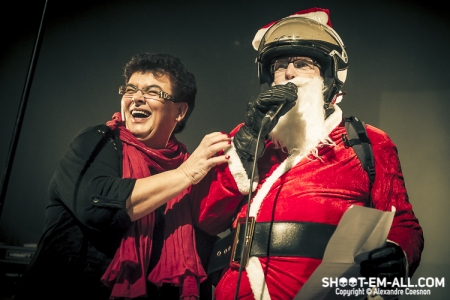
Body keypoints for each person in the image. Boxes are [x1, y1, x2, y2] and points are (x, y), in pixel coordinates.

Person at [192, 7, 424, 300]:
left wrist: (397, 252)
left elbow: (403, 223)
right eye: (279, 65)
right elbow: (206, 218)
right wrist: (249, 138)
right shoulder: (246, 136)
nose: (289, 72)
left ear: (329, 77)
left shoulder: (367, 141)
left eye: (303, 64)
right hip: (244, 290)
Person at [14, 53, 231, 300]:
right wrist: (185, 173)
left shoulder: (189, 174)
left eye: (151, 92)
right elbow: (97, 209)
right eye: (130, 90)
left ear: (180, 111)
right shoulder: (97, 142)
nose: (136, 98)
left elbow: (204, 245)